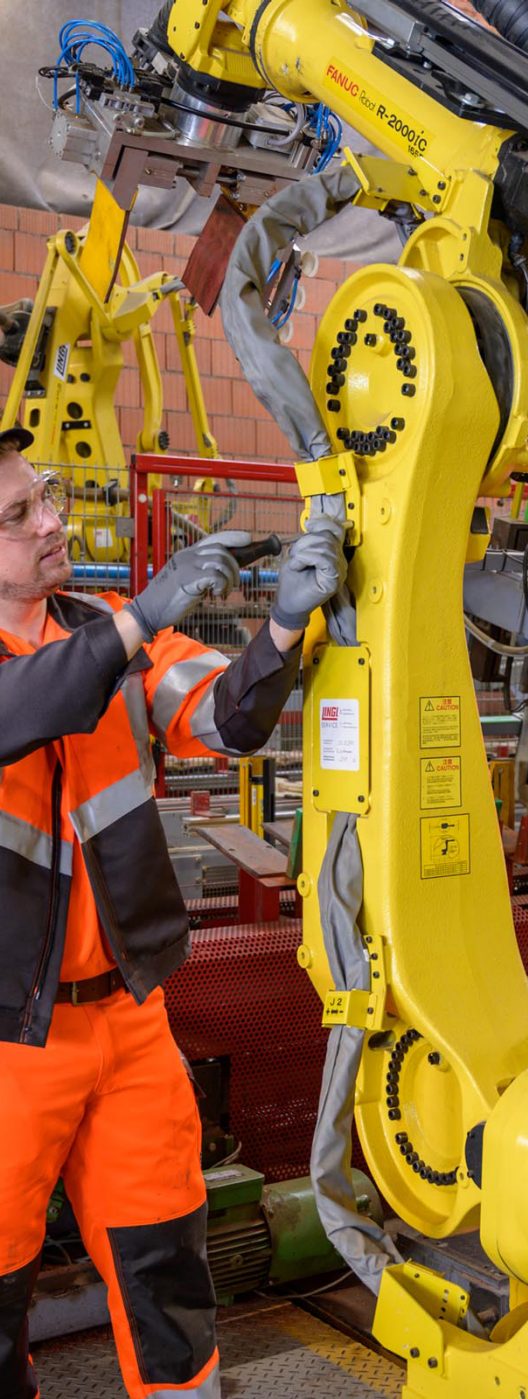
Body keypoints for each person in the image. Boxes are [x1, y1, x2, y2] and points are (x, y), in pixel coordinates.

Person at [0, 425, 347, 1399]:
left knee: (164, 1263)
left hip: (127, 1019)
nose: (54, 520)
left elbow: (226, 716)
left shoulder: (102, 629)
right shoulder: (102, 640)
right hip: (7, 1044)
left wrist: (280, 626)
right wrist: (138, 617)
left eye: (49, 496)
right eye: (20, 515)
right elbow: (25, 705)